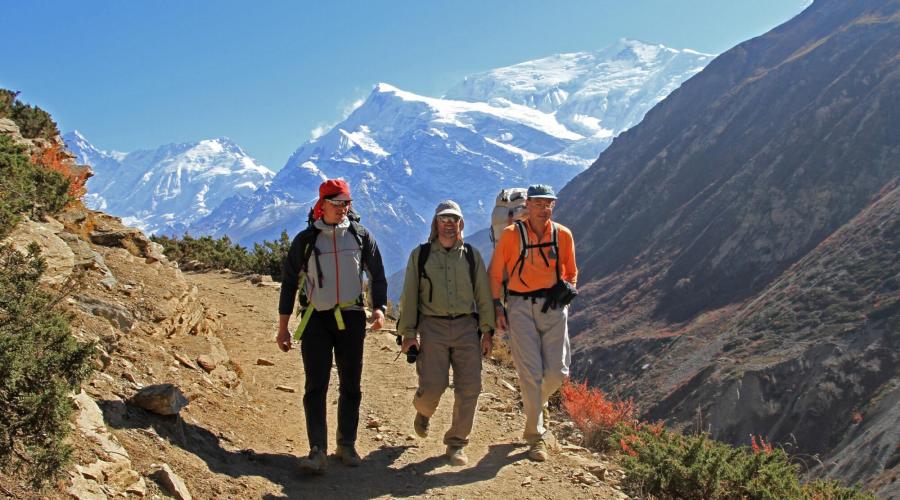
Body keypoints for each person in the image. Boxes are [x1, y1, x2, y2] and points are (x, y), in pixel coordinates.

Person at [276, 179, 387, 474]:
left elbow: (377, 275)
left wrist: (379, 308)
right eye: (337, 203)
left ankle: (346, 444)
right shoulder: (306, 240)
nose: (343, 209)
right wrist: (283, 326)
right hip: (315, 318)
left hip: (351, 316)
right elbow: (289, 284)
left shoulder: (361, 237)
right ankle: (317, 450)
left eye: (346, 203)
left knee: (351, 383)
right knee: (316, 384)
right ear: (322, 204)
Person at [398, 200, 495, 466]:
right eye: (444, 219)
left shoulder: (472, 256)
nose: (449, 224)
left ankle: (456, 443)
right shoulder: (422, 255)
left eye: (454, 220)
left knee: (470, 387)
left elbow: (483, 296)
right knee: (432, 387)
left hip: (466, 328)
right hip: (432, 327)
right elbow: (409, 296)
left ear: (461, 224)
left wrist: (487, 331)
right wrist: (408, 333)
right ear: (436, 223)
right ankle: (423, 411)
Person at [488, 184, 577, 462]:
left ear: (554, 205)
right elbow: (495, 273)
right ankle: (535, 437)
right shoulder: (512, 235)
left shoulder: (562, 235)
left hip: (553, 306)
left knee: (558, 372)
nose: (543, 208)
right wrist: (496, 306)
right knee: (530, 372)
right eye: (538, 203)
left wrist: (567, 293)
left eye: (548, 203)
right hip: (519, 306)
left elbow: (571, 271)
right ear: (528, 204)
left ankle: (537, 401)